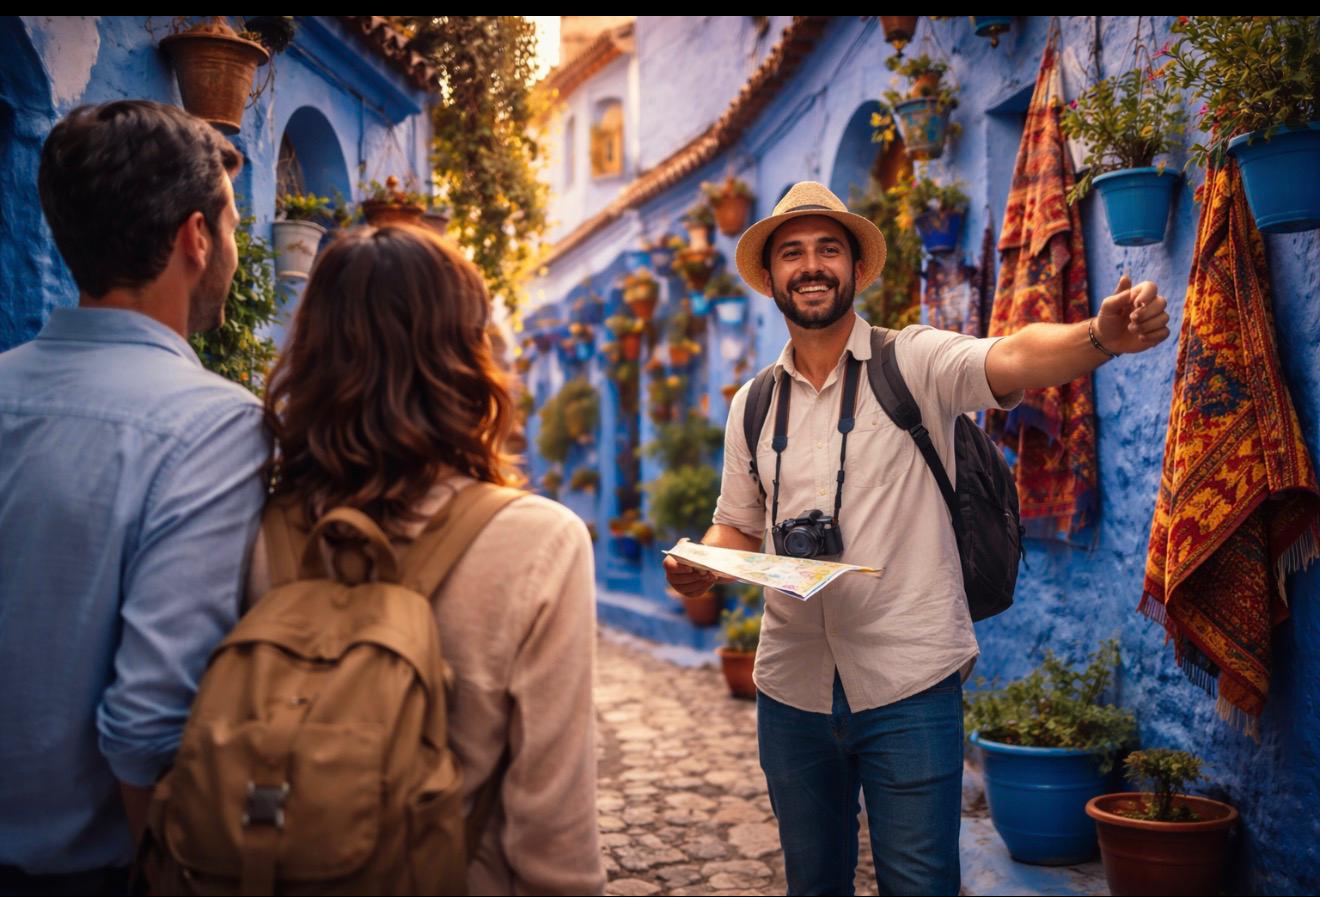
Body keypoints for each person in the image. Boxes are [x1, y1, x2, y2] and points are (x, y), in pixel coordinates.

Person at [663, 181, 1170, 895]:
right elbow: (739, 521)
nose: (811, 266)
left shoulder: (916, 363)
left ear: (856, 269)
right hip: (792, 689)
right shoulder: (753, 404)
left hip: (909, 685)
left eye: (828, 249)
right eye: (793, 253)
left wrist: (1099, 337)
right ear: (771, 277)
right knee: (812, 883)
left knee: (920, 883)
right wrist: (704, 563)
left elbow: (1013, 357)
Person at [252, 224, 606, 895]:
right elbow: (554, 839)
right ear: (468, 356)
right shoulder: (542, 541)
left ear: (313, 355)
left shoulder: (258, 523)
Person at [0, 100, 269, 894]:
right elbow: (149, 720)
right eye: (227, 225)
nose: (230, 247)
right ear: (194, 237)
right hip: (94, 869)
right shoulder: (214, 425)